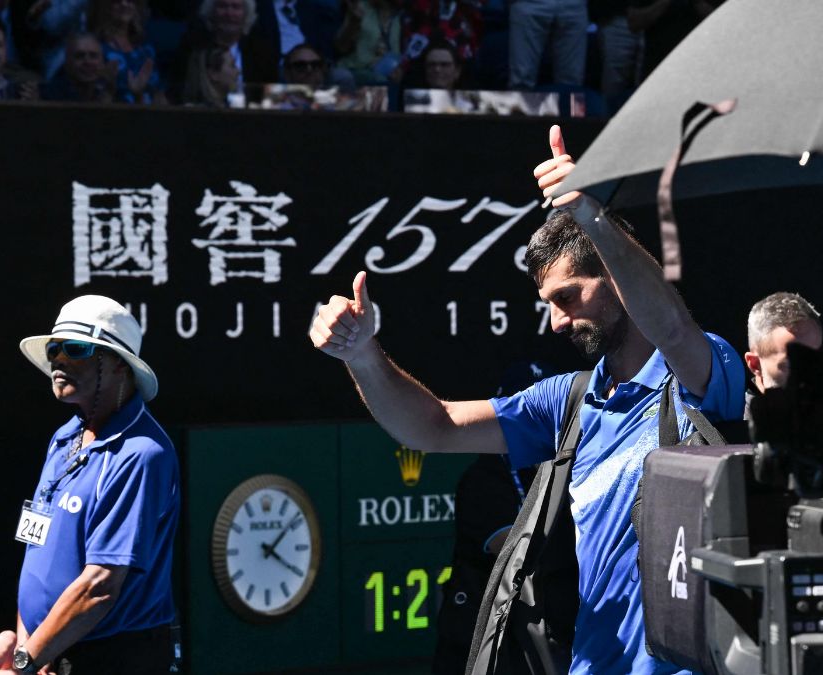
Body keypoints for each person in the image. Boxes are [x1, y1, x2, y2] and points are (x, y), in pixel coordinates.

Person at [310, 125, 744, 674]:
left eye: (568, 297)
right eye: (548, 303)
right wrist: (363, 357)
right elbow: (435, 427)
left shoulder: (699, 373)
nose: (557, 321)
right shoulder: (567, 401)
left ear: (615, 277)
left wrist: (593, 217)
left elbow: (674, 330)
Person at [11, 295, 180, 674]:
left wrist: (26, 660)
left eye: (76, 349)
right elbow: (35, 554)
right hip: (49, 653)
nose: (59, 359)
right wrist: (32, 644)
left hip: (113, 660)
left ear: (119, 364)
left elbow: (100, 586)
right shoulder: (63, 438)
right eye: (55, 348)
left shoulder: (141, 454)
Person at [431, 360, 547, 675]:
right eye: (525, 415)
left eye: (544, 415)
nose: (537, 425)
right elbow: (519, 556)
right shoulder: (483, 480)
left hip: (526, 642)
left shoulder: (551, 469)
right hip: (474, 644)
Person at [742, 291, 822, 415]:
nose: (809, 374)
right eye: (792, 364)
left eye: (815, 360)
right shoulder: (732, 432)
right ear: (755, 364)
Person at [87, 0, 166, 103]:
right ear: (105, 7)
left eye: (130, 1)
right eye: (117, 1)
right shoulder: (95, 48)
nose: (124, 4)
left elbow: (159, 94)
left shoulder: (146, 50)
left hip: (148, 114)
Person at [507, 0, 586, 89]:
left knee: (574, 82)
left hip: (575, 5)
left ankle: (574, 103)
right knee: (521, 79)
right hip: (529, 4)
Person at [334, 0, 404, 85]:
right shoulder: (360, 7)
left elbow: (395, 54)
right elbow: (341, 47)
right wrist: (354, 23)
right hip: (354, 69)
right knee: (378, 80)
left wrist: (397, 70)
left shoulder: (396, 18)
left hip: (383, 75)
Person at [40, 31, 113, 102]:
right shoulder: (47, 95)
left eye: (93, 56)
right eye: (79, 56)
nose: (87, 62)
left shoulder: (112, 92)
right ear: (67, 63)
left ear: (102, 62)